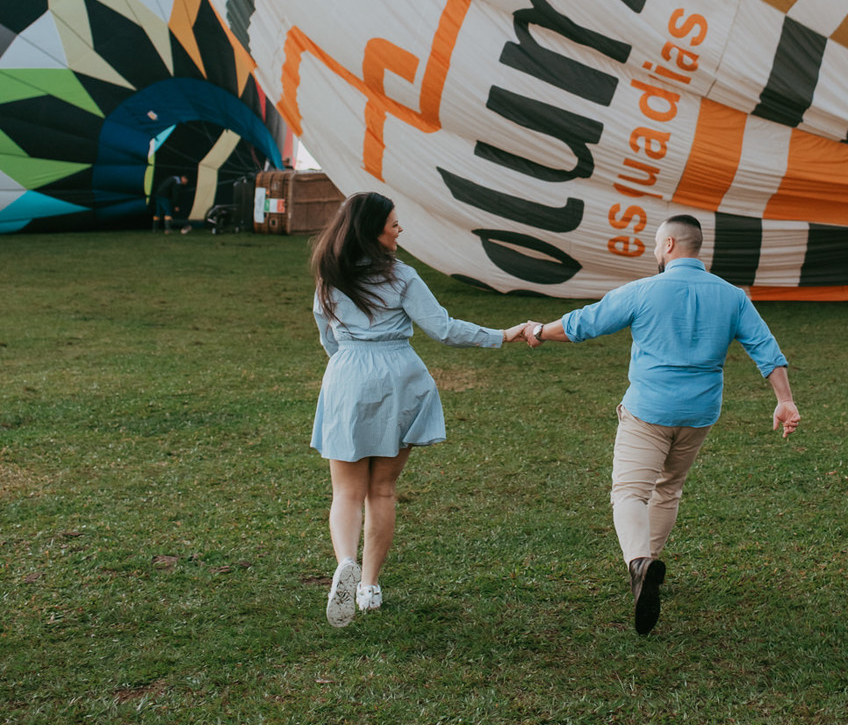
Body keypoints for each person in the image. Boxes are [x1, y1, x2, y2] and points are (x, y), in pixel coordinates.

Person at [521, 213, 799, 635]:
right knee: (668, 488)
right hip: (700, 414)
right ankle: (648, 562)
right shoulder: (732, 296)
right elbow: (766, 348)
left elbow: (584, 324)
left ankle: (639, 563)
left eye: (655, 244)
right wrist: (785, 400)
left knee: (629, 492)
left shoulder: (644, 290)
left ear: (668, 245)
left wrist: (539, 330)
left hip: (649, 410)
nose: (655, 251)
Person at [311, 191, 529, 626]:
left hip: (347, 375)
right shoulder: (402, 277)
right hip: (400, 375)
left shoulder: (328, 276)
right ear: (373, 232)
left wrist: (349, 364)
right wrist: (502, 334)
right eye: (394, 224)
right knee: (383, 491)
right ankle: (369, 586)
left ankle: (343, 563)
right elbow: (444, 330)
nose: (400, 229)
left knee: (347, 492)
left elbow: (327, 336)